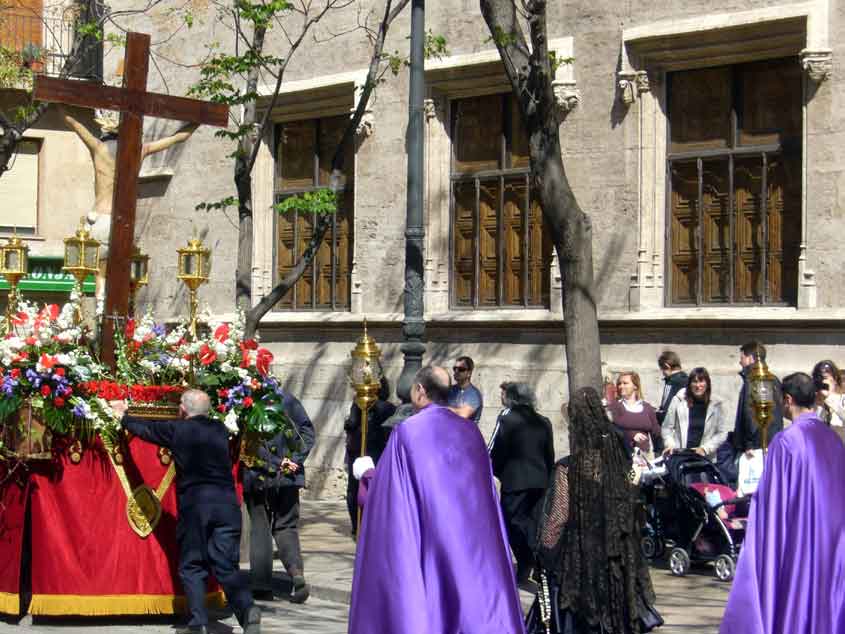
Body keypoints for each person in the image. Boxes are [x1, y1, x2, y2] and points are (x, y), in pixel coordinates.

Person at [348, 366, 525, 634]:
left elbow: (390, 498)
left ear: (420, 391)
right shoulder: (471, 433)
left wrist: (367, 474)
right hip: (473, 545)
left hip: (429, 539)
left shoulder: (408, 432)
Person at [111, 390, 261, 634]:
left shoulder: (178, 430)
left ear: (182, 409)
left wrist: (123, 416)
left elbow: (147, 430)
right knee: (225, 564)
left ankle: (198, 622)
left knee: (192, 564)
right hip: (227, 505)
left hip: (196, 505)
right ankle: (247, 609)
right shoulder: (221, 430)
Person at [526, 387, 662, 634]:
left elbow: (559, 515)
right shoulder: (618, 453)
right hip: (618, 550)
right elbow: (631, 484)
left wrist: (544, 551)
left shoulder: (568, 469)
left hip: (582, 555)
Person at [720, 372, 845, 633]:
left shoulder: (786, 441)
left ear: (787, 400)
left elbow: (771, 507)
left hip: (799, 540)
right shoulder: (834, 439)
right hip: (834, 539)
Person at [242, 388, 315, 603]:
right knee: (286, 526)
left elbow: (249, 446)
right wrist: (295, 460)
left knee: (260, 527)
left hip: (260, 476)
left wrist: (277, 463)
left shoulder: (247, 403)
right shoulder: (288, 399)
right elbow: (308, 431)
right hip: (288, 476)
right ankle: (296, 574)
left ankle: (261, 585)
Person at [489, 382, 555, 585]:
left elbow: (494, 448)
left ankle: (529, 560)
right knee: (531, 523)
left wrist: (495, 470)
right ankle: (535, 561)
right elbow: (549, 454)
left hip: (515, 480)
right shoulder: (544, 421)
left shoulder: (507, 418)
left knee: (510, 523)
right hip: (540, 479)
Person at [343, 376, 396, 536]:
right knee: (373, 488)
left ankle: (356, 526)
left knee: (354, 488)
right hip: (377, 452)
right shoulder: (389, 407)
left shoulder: (359, 404)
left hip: (359, 452)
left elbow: (351, 423)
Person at [661, 367, 730, 461]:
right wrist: (670, 444)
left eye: (701, 381)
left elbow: (722, 433)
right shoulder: (678, 400)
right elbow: (667, 428)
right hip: (681, 457)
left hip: (705, 458)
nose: (698, 385)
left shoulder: (717, 404)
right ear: (689, 384)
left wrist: (705, 449)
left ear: (707, 384)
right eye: (694, 382)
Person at [732, 342, 783, 456]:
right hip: (768, 443)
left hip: (758, 447)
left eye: (742, 358)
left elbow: (751, 413)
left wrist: (749, 444)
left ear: (750, 358)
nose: (740, 362)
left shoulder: (757, 379)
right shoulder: (771, 379)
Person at [606, 371, 661, 456]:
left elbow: (656, 433)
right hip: (622, 456)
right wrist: (631, 435)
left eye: (625, 383)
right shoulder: (614, 407)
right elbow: (610, 430)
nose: (621, 386)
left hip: (644, 457)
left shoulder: (648, 408)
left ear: (635, 386)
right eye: (619, 384)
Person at [448, 355, 484, 423]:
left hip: (466, 432)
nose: (456, 371)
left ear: (469, 373)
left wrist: (443, 409)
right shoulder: (449, 390)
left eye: (461, 369)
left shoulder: (474, 394)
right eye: (454, 368)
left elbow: (463, 415)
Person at [656, 350, 688, 425]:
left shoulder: (672, 382)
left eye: (662, 369)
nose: (663, 373)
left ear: (667, 366)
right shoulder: (688, 380)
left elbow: (666, 408)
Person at [811, 359, 845, 427]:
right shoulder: (812, 402)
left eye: (824, 377)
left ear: (835, 378)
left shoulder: (842, 399)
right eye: (818, 378)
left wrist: (829, 398)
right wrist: (819, 402)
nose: (821, 381)